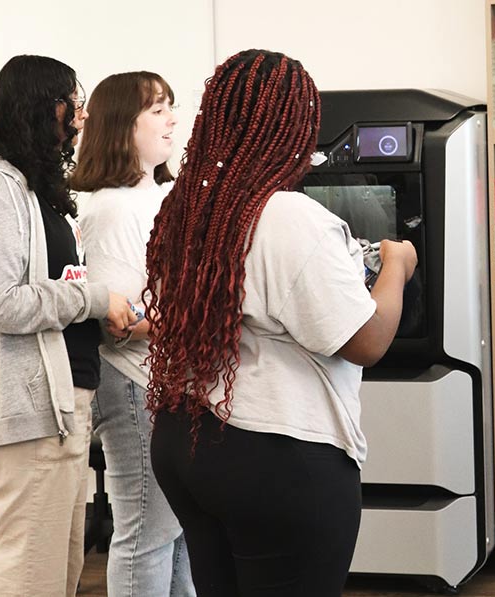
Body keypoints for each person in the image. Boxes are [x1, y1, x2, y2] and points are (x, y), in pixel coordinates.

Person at [144, 49, 418, 597]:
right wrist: (396, 266)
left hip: (186, 441)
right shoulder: (287, 215)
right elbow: (364, 341)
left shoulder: (187, 207)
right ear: (294, 129)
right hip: (274, 456)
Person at [0, 54, 134, 596]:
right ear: (49, 107)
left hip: (63, 405)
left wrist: (101, 316)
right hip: (30, 414)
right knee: (28, 575)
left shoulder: (36, 190)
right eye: (76, 101)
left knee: (58, 570)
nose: (83, 116)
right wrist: (94, 299)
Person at [71, 71, 195, 597]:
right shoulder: (111, 207)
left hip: (172, 381)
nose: (172, 119)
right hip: (133, 382)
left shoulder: (163, 195)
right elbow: (121, 321)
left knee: (180, 530)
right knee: (146, 531)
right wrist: (197, 316)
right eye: (157, 109)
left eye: (171, 106)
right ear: (124, 126)